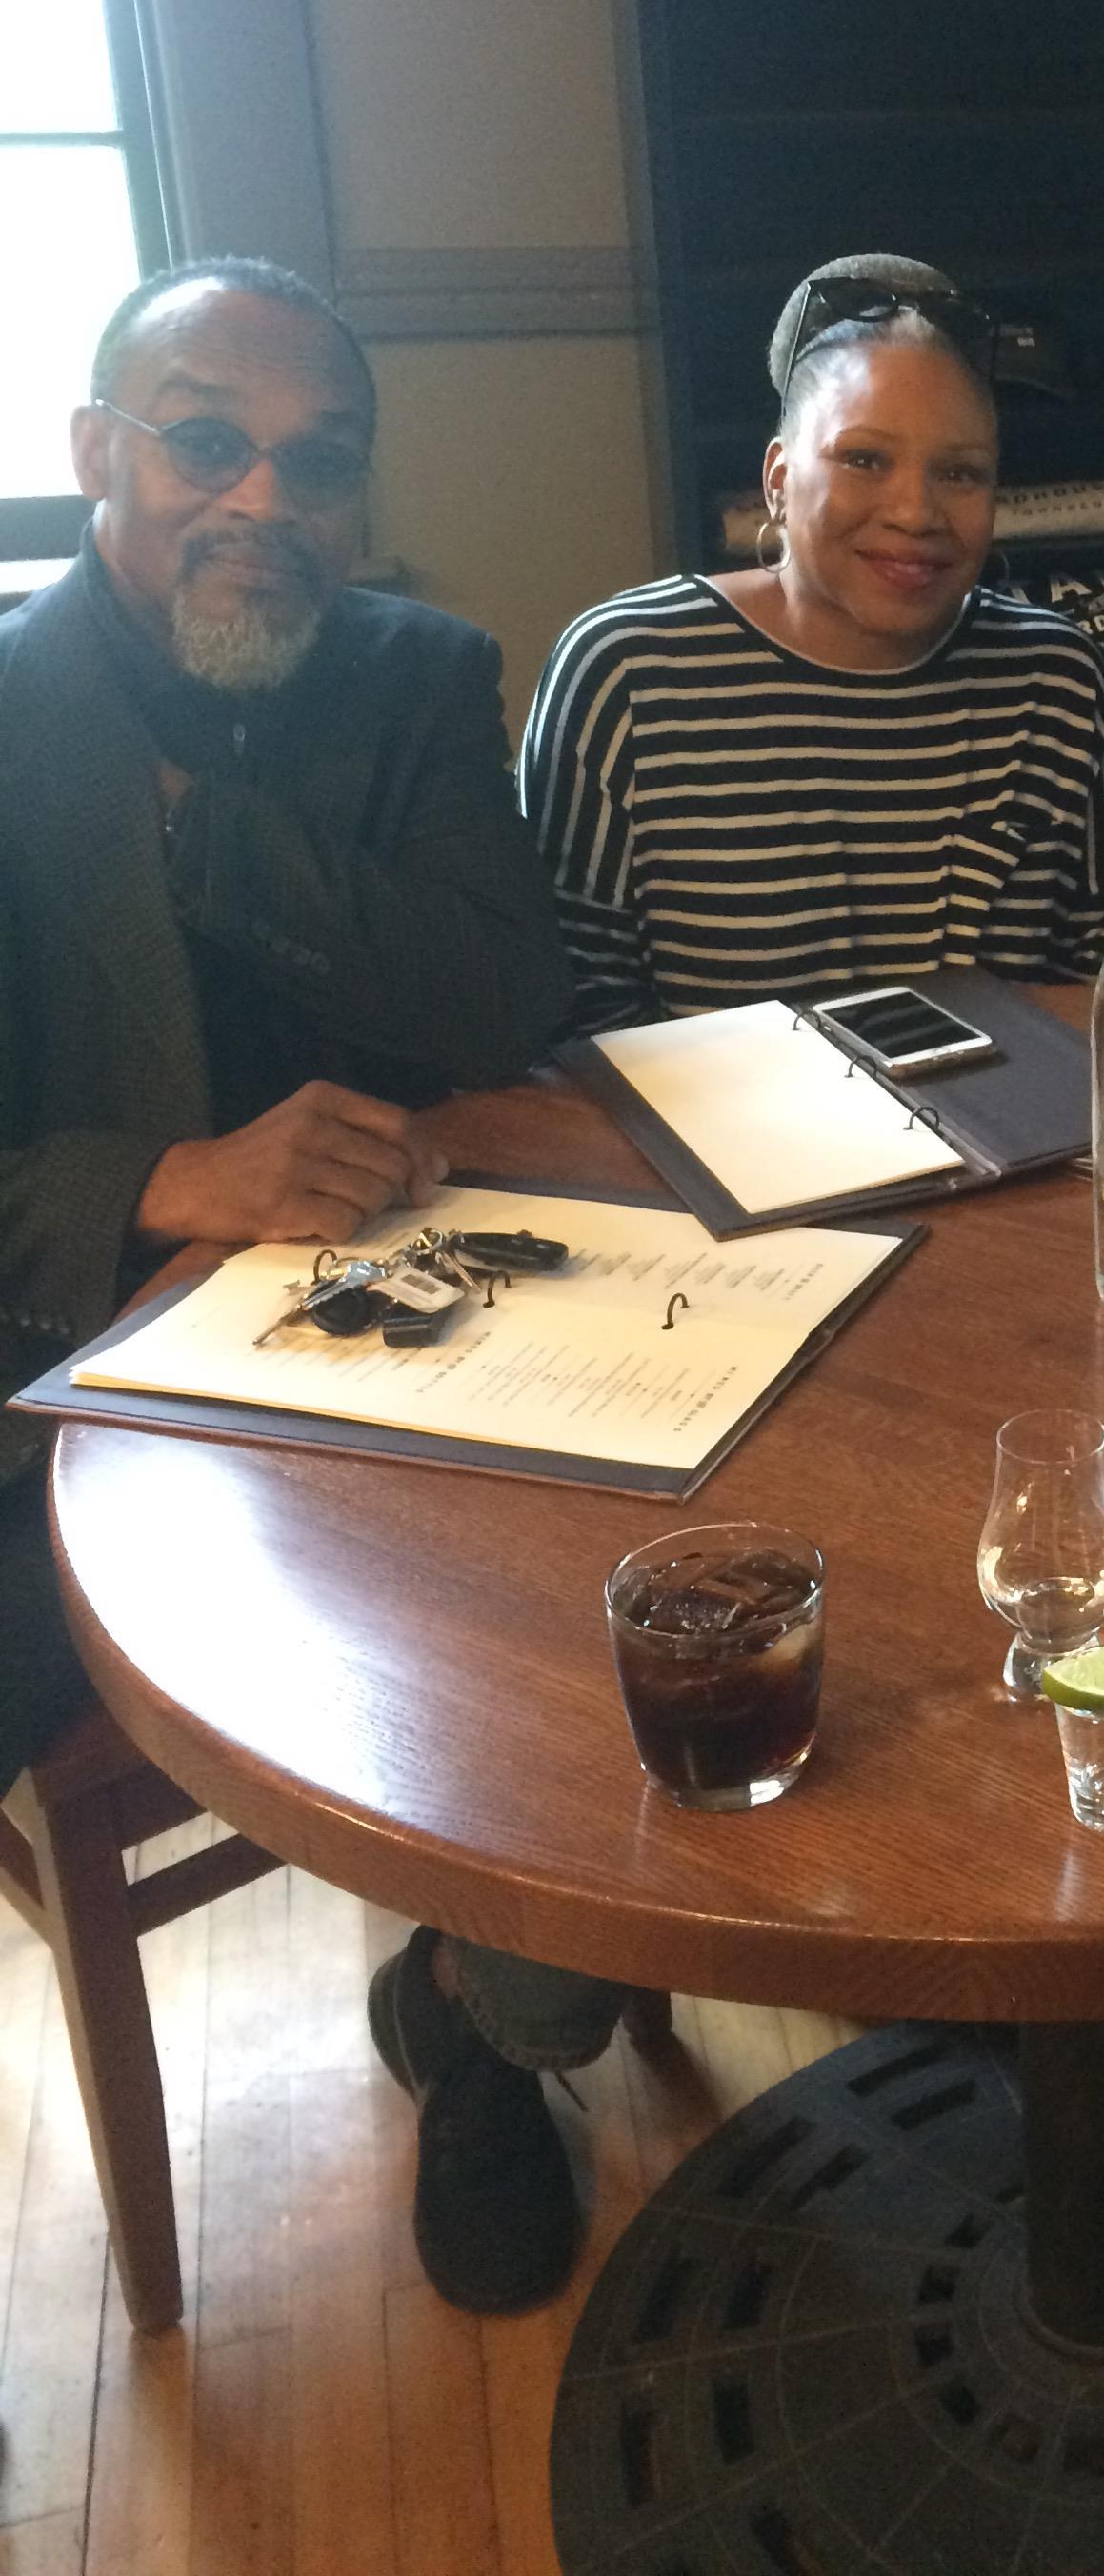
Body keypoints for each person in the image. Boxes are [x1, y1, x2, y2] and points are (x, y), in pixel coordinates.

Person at [0, 258, 613, 2319]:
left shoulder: (419, 678)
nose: (263, 497)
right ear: (99, 452)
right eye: (205, 439)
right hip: (84, 1376)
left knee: (625, 1560)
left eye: (316, 463)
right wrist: (164, 1177)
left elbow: (504, 995)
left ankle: (489, 2028)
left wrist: (209, 828)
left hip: (425, 1305)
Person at [522, 252, 1104, 1027]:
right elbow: (574, 1017)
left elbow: (1098, 988)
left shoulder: (1056, 683)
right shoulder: (627, 673)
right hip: (711, 1141)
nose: (916, 512)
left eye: (962, 473)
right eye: (863, 459)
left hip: (1009, 1137)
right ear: (778, 479)